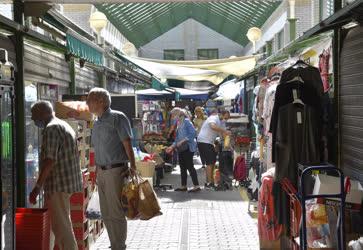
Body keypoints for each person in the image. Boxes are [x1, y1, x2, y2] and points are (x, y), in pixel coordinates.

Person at [86, 88, 136, 250]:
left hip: (116, 170)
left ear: (101, 101)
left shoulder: (117, 118)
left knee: (115, 211)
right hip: (102, 170)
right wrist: (95, 171)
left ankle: (119, 245)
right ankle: (114, 243)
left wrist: (133, 166)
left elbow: (127, 143)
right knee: (106, 212)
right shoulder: (98, 121)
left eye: (90, 100)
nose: (87, 103)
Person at [29, 101, 82, 250]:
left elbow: (49, 161)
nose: (33, 120)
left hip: (58, 185)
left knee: (62, 228)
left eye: (34, 116)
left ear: (42, 113)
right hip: (64, 184)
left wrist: (37, 187)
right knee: (53, 225)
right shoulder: (62, 124)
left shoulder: (51, 129)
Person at [166, 108, 200, 192]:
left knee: (189, 166)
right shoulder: (178, 123)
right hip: (181, 148)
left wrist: (182, 141)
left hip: (188, 147)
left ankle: (196, 185)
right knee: (182, 167)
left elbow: (193, 133)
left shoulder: (187, 121)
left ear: (179, 115)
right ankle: (183, 186)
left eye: (174, 115)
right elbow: (177, 138)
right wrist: (172, 147)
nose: (173, 117)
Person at [197, 110, 231, 188]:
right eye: (225, 118)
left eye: (227, 118)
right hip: (204, 141)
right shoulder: (213, 118)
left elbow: (223, 135)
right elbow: (213, 126)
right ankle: (209, 182)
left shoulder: (222, 122)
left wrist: (228, 143)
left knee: (212, 161)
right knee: (209, 162)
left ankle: (210, 181)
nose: (226, 120)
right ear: (221, 115)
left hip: (209, 142)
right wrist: (224, 131)